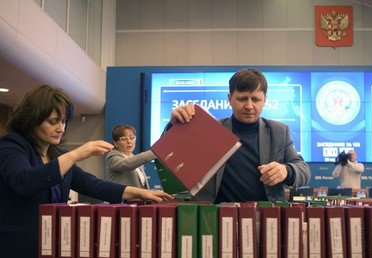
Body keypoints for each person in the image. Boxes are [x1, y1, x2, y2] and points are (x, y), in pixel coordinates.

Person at [0, 85, 173, 258]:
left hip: (50, 245)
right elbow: (24, 182)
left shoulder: (57, 154)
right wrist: (76, 154)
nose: (61, 128)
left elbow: (93, 185)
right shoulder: (12, 146)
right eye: (53, 122)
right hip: (17, 246)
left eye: (64, 121)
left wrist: (142, 193)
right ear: (31, 120)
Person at [166, 68, 311, 203]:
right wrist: (174, 126)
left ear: (265, 100)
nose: (249, 106)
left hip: (265, 218)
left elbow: (303, 170)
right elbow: (170, 156)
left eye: (255, 99)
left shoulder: (279, 131)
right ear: (230, 99)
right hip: (214, 217)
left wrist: (287, 171)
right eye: (242, 99)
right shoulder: (211, 130)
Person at [106, 124, 155, 189]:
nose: (129, 141)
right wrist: (154, 153)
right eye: (123, 139)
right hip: (122, 198)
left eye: (132, 138)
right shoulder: (112, 156)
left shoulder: (134, 157)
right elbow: (128, 164)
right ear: (115, 143)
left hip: (137, 198)